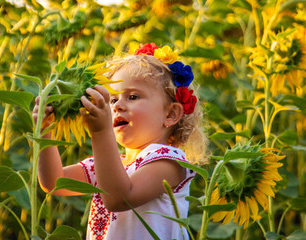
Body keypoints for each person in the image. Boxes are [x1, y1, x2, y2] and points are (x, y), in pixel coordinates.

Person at [33, 43, 208, 240]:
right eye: (113, 100)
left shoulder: (169, 162)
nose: (117, 107)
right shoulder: (111, 164)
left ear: (170, 114)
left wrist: (101, 131)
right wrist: (44, 130)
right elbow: (55, 183)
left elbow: (119, 198)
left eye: (132, 96)